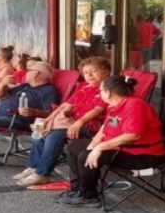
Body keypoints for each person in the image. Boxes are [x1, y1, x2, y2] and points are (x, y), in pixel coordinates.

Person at [57, 76, 165, 207]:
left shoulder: (135, 105)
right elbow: (104, 129)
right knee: (74, 147)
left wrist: (99, 148)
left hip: (142, 154)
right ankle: (77, 189)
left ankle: (89, 196)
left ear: (108, 92)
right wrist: (93, 145)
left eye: (101, 90)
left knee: (85, 156)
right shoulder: (114, 105)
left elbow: (133, 135)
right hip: (121, 148)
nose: (99, 93)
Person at [13, 56, 111, 187]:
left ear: (105, 71)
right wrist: (47, 120)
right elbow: (65, 106)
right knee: (40, 129)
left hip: (92, 127)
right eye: (86, 73)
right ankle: (34, 166)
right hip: (71, 122)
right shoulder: (84, 86)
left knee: (55, 135)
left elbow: (97, 110)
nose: (89, 75)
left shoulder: (107, 89)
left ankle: (42, 174)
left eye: (93, 71)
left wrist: (78, 123)